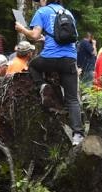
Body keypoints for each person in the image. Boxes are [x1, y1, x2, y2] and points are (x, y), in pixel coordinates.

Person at [16, 0, 85, 146]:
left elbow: (34, 36)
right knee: (72, 99)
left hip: (50, 59)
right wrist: (46, 38)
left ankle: (42, 86)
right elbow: (70, 37)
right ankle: (77, 135)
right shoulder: (68, 13)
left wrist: (22, 29)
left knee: (33, 65)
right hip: (69, 59)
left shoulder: (43, 11)